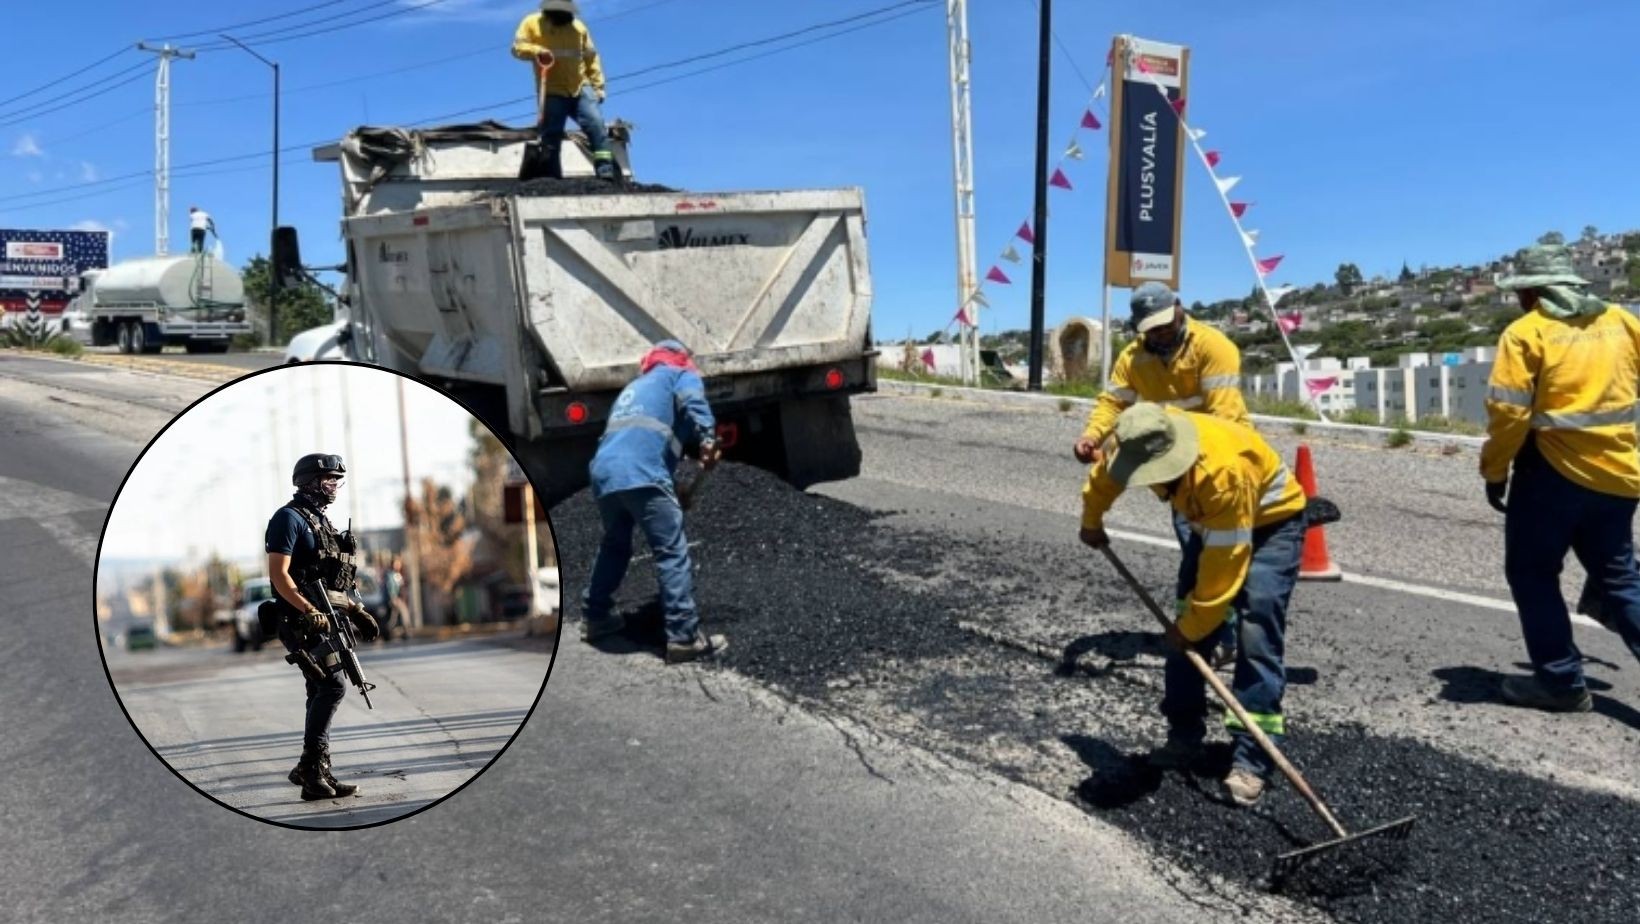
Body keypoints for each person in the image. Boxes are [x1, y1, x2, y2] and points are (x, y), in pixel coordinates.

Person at [1080, 403, 1307, 806]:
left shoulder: (1221, 474)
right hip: (1213, 523)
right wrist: (1092, 521)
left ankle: (1251, 759)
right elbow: (1103, 480)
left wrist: (1191, 629)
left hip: (1272, 524)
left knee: (1256, 631)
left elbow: (1222, 577)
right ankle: (1184, 737)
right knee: (1185, 632)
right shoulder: (1134, 439)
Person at [1481, 243, 1640, 712]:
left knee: (1532, 574)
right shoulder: (1623, 323)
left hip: (1552, 476)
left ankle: (1560, 682)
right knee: (1619, 580)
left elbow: (1508, 414)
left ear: (1532, 292)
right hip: (1620, 474)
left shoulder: (1527, 333)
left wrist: (1495, 472)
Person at [1074, 282, 1252, 669]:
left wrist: (1203, 468)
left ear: (1179, 309)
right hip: (1172, 469)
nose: (1161, 333)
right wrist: (1093, 435)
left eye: (1165, 323)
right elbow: (1113, 403)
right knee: (1194, 555)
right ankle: (1198, 631)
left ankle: (1223, 635)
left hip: (1218, 467)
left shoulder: (1212, 346)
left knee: (1218, 556)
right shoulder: (1133, 358)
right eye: (1151, 328)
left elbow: (1226, 419)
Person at [581, 339, 723, 663]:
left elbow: (644, 443)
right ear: (680, 359)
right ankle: (684, 637)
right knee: (670, 550)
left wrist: (673, 488)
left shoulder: (636, 388)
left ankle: (596, 617)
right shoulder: (678, 374)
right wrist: (709, 438)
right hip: (640, 472)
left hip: (605, 474)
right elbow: (693, 402)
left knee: (614, 545)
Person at [266, 453, 379, 800]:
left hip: (330, 616)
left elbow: (335, 579)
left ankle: (309, 769)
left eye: (336, 481)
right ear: (308, 482)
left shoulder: (322, 523)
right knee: (332, 687)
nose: (334, 487)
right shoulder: (288, 519)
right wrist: (309, 609)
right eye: (328, 480)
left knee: (319, 690)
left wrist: (357, 610)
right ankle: (315, 772)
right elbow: (279, 575)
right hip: (301, 620)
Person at [511, 0, 615, 180]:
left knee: (596, 125)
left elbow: (591, 58)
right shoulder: (531, 23)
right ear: (549, 11)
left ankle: (605, 170)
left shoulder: (578, 28)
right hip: (552, 90)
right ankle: (553, 177)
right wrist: (537, 50)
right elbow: (517, 48)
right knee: (551, 135)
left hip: (580, 87)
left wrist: (598, 87)